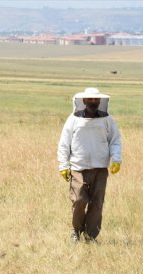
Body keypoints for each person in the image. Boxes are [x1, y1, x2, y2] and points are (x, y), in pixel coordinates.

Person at [57, 87, 122, 242]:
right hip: (78, 167)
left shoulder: (107, 120)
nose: (93, 102)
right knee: (79, 200)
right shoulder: (73, 119)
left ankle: (90, 236)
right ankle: (76, 231)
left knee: (97, 202)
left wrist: (116, 160)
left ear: (100, 101)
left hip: (100, 168)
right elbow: (64, 143)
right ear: (83, 101)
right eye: (90, 99)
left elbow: (115, 141)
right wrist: (63, 165)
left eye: (95, 99)